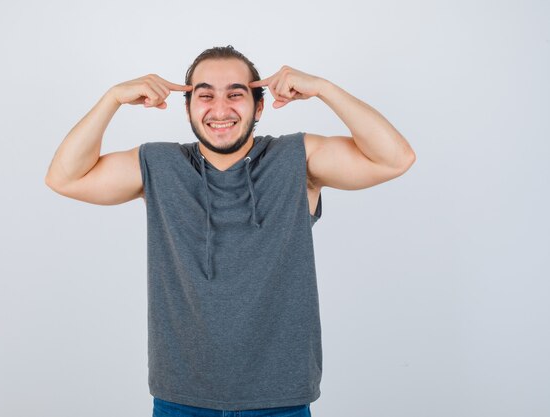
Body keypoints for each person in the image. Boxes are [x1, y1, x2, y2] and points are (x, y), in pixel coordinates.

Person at [45, 46, 416, 417]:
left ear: (259, 106)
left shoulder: (297, 159)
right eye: (205, 95)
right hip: (181, 398)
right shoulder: (160, 165)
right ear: (188, 107)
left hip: (280, 399)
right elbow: (65, 178)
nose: (220, 109)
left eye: (235, 94)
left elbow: (395, 158)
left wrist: (322, 87)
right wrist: (111, 98)